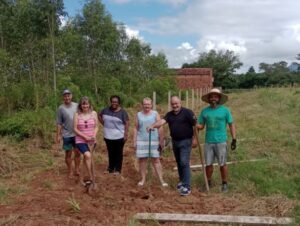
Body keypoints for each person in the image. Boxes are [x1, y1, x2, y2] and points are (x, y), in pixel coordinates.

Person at [147, 96, 196, 196]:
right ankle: (182, 181)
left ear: (180, 103)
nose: (175, 105)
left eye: (176, 103)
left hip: (186, 141)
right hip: (175, 141)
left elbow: (196, 125)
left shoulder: (187, 112)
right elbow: (162, 122)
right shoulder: (169, 115)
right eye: (173, 104)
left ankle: (186, 186)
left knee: (184, 162)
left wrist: (194, 139)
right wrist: (152, 125)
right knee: (179, 162)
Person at [197, 88, 236, 193]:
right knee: (208, 164)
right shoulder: (204, 111)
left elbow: (231, 124)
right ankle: (207, 183)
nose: (213, 98)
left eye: (215, 96)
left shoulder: (225, 110)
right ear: (209, 98)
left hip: (221, 141)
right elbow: (201, 126)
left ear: (219, 98)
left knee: (222, 164)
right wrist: (196, 125)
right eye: (211, 96)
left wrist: (234, 139)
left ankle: (224, 184)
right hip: (209, 141)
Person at [133, 97, 168, 187]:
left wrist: (161, 139)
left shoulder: (155, 114)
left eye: (148, 104)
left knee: (156, 160)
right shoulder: (138, 114)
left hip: (154, 140)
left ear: (151, 105)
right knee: (142, 160)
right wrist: (134, 141)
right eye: (145, 104)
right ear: (142, 105)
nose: (146, 106)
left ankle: (161, 180)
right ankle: (143, 179)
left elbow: (160, 126)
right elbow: (136, 128)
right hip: (142, 140)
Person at [98, 95, 129, 175]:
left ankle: (118, 169)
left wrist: (125, 134)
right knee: (110, 153)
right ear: (110, 102)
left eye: (116, 102)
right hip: (108, 136)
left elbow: (127, 123)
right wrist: (104, 124)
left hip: (119, 136)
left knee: (118, 153)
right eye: (112, 101)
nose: (114, 103)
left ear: (119, 103)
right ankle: (110, 168)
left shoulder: (123, 112)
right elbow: (99, 115)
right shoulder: (105, 110)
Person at [74, 96, 99, 186]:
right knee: (87, 155)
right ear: (80, 105)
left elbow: (96, 126)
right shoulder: (77, 115)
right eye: (83, 104)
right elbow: (75, 129)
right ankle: (91, 177)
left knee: (86, 160)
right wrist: (85, 136)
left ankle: (81, 180)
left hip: (92, 141)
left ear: (89, 105)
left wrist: (94, 135)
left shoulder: (94, 113)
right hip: (80, 140)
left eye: (87, 104)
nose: (85, 106)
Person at [56, 89, 81, 178]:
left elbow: (82, 117)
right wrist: (58, 135)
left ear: (71, 96)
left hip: (77, 134)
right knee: (68, 154)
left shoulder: (77, 106)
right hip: (67, 135)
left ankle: (77, 169)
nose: (67, 97)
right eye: (65, 96)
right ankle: (70, 171)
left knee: (78, 153)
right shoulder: (60, 108)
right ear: (63, 97)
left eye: (68, 95)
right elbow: (59, 123)